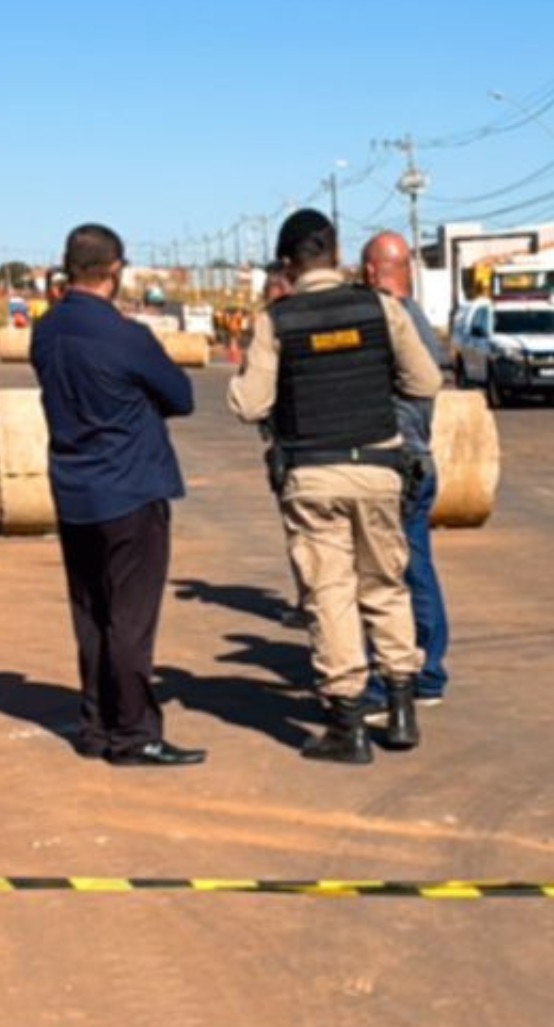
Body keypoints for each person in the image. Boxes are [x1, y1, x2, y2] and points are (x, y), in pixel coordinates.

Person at [229, 210, 442, 765]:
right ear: (338, 252)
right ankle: (401, 711)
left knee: (331, 594)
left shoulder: (278, 322)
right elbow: (426, 382)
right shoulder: (381, 309)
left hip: (313, 475)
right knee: (386, 585)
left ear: (287, 263)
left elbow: (249, 404)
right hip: (377, 468)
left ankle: (347, 727)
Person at [32, 223, 203, 767]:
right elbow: (180, 396)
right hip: (129, 490)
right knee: (131, 619)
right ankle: (134, 733)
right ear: (114, 270)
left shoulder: (46, 332)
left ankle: (97, 725)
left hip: (73, 489)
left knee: (91, 616)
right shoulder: (125, 336)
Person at [359, 231, 449, 717]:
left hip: (391, 462)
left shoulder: (386, 320)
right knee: (418, 568)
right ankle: (430, 672)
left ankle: (386, 679)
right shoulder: (421, 321)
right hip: (420, 460)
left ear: (372, 271)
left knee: (379, 576)